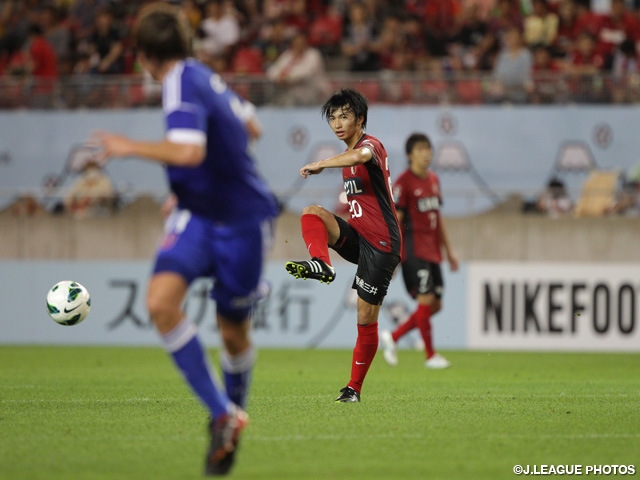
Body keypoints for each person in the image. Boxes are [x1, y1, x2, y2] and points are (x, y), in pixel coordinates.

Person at [87, 3, 278, 476]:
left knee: (233, 331)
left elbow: (190, 151)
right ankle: (223, 415)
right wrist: (194, 190)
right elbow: (252, 126)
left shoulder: (179, 81)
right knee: (160, 303)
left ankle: (228, 426)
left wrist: (128, 147)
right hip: (199, 215)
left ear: (145, 55)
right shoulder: (204, 76)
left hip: (241, 222)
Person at [285, 88, 401, 403]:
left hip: (381, 244)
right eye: (333, 117)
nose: (338, 123)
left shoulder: (369, 146)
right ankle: (321, 263)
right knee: (313, 214)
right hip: (359, 236)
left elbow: (360, 156)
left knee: (365, 317)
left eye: (345, 116)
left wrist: (322, 163)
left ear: (360, 119)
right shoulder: (348, 156)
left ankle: (354, 389)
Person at [379, 133, 459, 370]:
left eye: (429, 149)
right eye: (421, 149)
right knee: (426, 299)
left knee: (435, 305)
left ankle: (392, 337)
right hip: (413, 251)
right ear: (410, 154)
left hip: (433, 250)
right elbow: (398, 220)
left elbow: (438, 218)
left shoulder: (434, 180)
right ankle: (430, 355)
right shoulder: (404, 183)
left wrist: (450, 251)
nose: (427, 153)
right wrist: (394, 255)